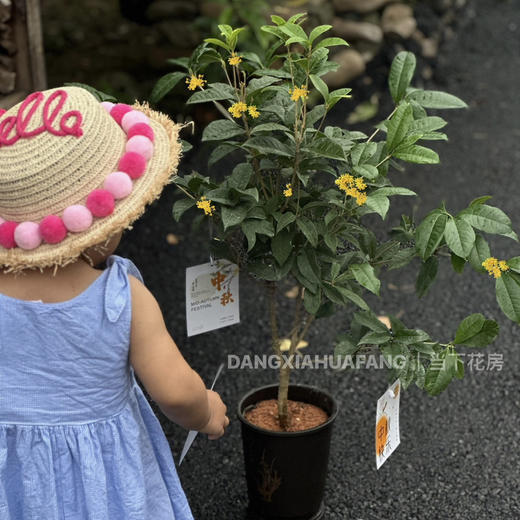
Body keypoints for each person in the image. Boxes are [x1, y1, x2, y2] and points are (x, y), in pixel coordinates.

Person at [0, 86, 229, 519]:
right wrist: (206, 413)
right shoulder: (122, 296)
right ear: (103, 227)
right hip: (101, 479)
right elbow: (176, 391)